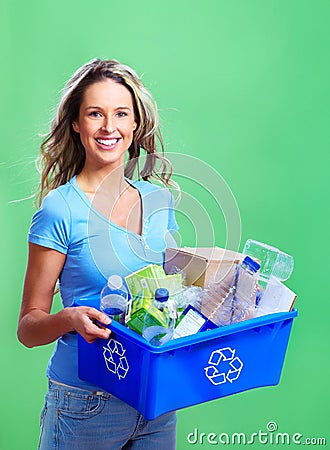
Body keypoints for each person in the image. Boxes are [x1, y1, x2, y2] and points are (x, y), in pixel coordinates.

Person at [17, 58, 179, 450]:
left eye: (121, 113)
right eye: (95, 114)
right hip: (84, 403)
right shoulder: (61, 209)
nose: (109, 127)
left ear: (135, 124)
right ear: (76, 123)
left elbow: (178, 294)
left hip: (156, 398)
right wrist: (69, 318)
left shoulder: (159, 201)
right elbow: (28, 327)